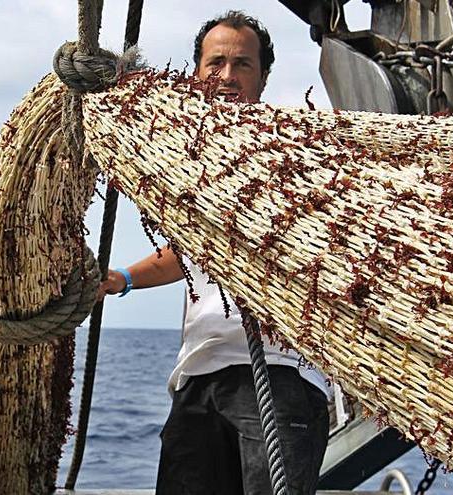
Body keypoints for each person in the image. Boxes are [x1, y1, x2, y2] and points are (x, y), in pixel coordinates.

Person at [99, 11, 330, 495]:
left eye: (242, 65)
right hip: (198, 374)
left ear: (263, 77)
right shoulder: (190, 163)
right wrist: (120, 278)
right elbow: (188, 252)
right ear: (196, 72)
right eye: (216, 63)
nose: (227, 77)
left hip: (279, 375)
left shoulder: (300, 156)